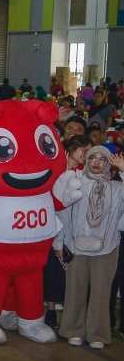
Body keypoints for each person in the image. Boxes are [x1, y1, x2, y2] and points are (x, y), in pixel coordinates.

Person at [55, 147, 124, 349]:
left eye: (102, 159)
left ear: (109, 163)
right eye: (92, 157)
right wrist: (59, 243)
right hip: (76, 247)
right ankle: (72, 330)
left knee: (101, 293)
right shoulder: (76, 184)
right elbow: (63, 214)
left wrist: (123, 171)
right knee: (74, 291)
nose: (96, 162)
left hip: (107, 249)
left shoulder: (116, 188)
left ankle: (97, 334)